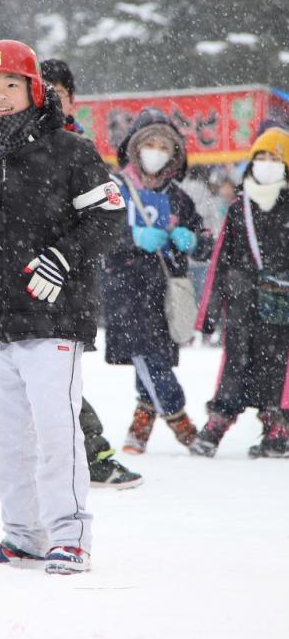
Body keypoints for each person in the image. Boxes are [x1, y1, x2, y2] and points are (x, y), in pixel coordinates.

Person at [0, 39, 127, 574]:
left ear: (34, 89)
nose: (0, 96)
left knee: (56, 431)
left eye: (11, 85)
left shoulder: (69, 149)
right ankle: (22, 535)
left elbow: (109, 219)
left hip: (55, 315)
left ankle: (71, 538)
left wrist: (63, 258)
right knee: (4, 438)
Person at [41, 57, 142, 488]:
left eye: (56, 93)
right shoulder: (7, 144)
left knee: (58, 374)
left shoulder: (80, 149)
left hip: (68, 276)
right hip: (15, 277)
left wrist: (69, 252)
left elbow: (106, 220)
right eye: (40, 91)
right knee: (25, 377)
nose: (47, 100)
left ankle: (91, 452)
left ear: (71, 99)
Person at [101, 109, 213, 455]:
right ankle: (180, 419)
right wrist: (131, 236)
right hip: (126, 288)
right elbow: (97, 235)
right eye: (148, 144)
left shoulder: (179, 196)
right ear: (134, 148)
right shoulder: (115, 190)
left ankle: (141, 424)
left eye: (164, 146)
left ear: (175, 154)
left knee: (157, 356)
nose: (155, 151)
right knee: (147, 356)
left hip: (167, 290)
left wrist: (192, 240)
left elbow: (206, 240)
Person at [191, 127, 289, 458]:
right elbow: (219, 262)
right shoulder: (239, 207)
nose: (266, 163)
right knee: (235, 366)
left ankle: (278, 428)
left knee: (278, 368)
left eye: (274, 158)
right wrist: (208, 314)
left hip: (280, 307)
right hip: (242, 305)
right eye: (261, 156)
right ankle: (217, 425)